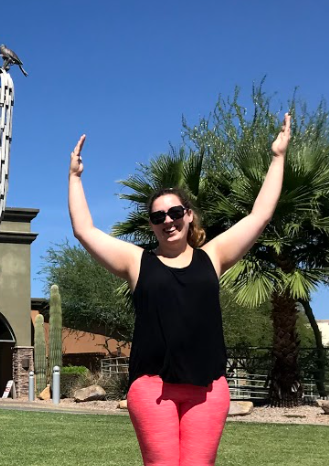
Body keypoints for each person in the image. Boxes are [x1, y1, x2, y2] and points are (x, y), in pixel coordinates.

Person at [67, 114, 290, 465]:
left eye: (174, 212)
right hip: (152, 388)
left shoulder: (213, 256)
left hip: (209, 389)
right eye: (158, 217)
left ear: (188, 216)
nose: (167, 221)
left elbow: (258, 216)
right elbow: (85, 230)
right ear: (153, 226)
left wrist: (278, 157)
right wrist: (75, 177)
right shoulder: (136, 261)